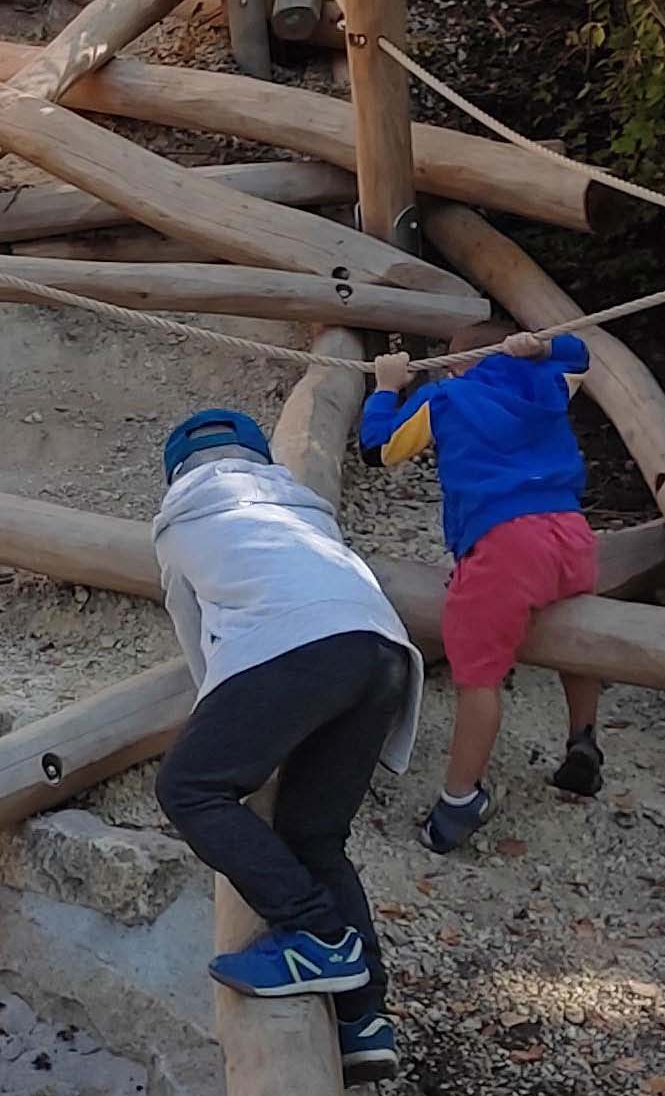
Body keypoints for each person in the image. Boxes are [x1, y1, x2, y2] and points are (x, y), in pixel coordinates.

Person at [153, 408, 422, 1088]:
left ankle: (318, 937)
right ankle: (364, 1019)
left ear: (176, 473)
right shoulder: (306, 509)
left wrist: (233, 726)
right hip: (383, 652)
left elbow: (198, 643)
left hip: (296, 652)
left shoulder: (181, 518)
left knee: (189, 787)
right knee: (315, 836)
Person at [361, 322, 602, 852]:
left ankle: (459, 799)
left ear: (452, 364)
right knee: (578, 636)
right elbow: (581, 355)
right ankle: (582, 738)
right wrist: (546, 348)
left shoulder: (447, 395)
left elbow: (378, 450)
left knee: (479, 675)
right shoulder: (546, 384)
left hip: (505, 543)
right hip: (572, 531)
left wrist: (385, 388)